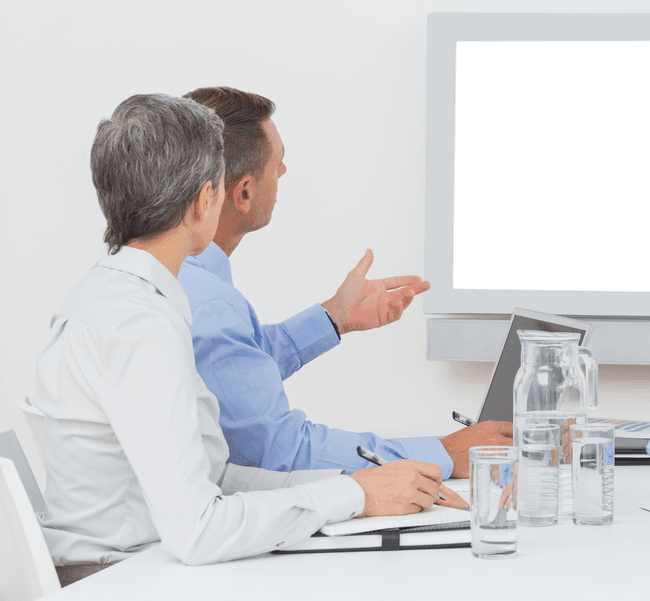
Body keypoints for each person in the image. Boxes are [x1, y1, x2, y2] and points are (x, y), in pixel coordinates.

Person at [35, 95, 463, 584]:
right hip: (126, 577)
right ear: (205, 201)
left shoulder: (111, 292)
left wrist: (352, 486)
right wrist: (356, 496)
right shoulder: (142, 327)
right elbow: (198, 531)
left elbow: (212, 478)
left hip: (125, 563)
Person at [177, 86, 511, 480]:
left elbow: (236, 367)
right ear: (244, 192)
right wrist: (443, 454)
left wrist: (334, 318)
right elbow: (282, 451)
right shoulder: (210, 304)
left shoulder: (183, 279)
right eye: (277, 163)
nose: (283, 173)